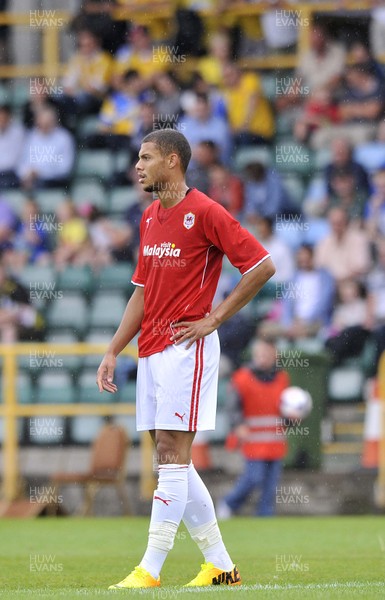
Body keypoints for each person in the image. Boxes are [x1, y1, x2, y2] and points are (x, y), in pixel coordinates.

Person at [96, 129, 275, 589]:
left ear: (172, 162)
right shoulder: (150, 217)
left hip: (185, 349)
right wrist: (114, 349)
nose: (137, 166)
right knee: (172, 457)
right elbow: (141, 291)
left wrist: (214, 318)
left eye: (146, 157)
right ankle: (221, 566)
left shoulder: (206, 212)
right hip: (152, 350)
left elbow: (261, 267)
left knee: (171, 456)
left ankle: (149, 569)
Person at [217, 338, 290, 518]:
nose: (263, 358)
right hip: (253, 440)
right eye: (260, 354)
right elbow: (232, 407)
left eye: (267, 354)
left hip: (275, 441)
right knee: (254, 478)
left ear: (275, 356)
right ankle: (229, 503)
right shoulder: (241, 378)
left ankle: (265, 515)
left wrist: (292, 418)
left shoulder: (282, 378)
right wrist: (238, 425)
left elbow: (285, 409)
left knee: (271, 485)